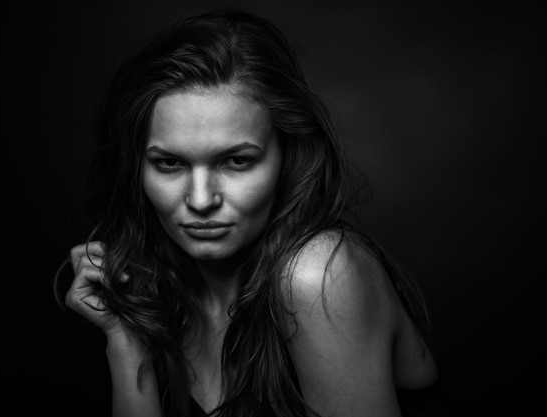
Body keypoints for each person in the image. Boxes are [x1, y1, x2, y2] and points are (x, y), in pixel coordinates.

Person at [57, 8, 440, 417]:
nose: (201, 200)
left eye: (236, 161)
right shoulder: (157, 289)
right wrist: (128, 346)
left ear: (287, 155)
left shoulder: (317, 276)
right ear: (138, 168)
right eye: (169, 164)